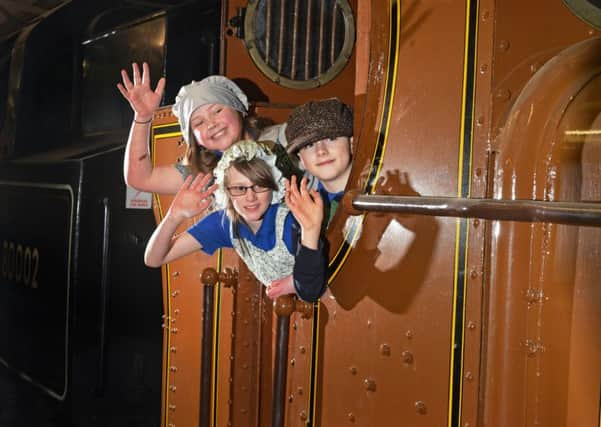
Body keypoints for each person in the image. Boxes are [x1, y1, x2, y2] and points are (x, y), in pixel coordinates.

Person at [144, 140, 327, 302]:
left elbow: (311, 290)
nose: (250, 197)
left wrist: (296, 282)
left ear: (274, 186)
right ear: (227, 192)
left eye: (259, 185)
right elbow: (154, 259)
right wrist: (174, 216)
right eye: (240, 188)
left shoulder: (290, 222)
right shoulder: (225, 223)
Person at [117, 62, 282, 194]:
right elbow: (139, 179)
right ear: (194, 138)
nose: (211, 124)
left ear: (239, 110)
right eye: (198, 123)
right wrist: (143, 117)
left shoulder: (280, 139)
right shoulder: (202, 175)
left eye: (217, 111)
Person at [285, 98, 354, 226]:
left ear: (351, 143)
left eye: (331, 138)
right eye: (309, 145)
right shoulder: (302, 211)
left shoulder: (378, 195)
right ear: (301, 159)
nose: (321, 151)